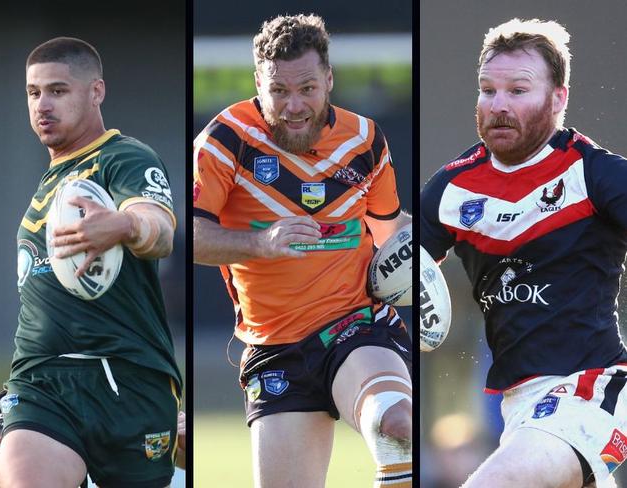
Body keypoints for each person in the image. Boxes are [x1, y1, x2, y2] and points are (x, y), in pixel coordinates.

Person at [194, 13, 412, 488]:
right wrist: (260, 243)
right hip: (274, 349)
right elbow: (187, 235)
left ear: (329, 80)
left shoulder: (365, 140)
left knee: (397, 425)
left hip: (356, 324)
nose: (293, 106)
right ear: (258, 84)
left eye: (307, 89)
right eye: (279, 91)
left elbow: (391, 228)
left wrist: (430, 251)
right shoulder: (225, 139)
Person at [420, 18, 627, 488]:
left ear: (559, 98)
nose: (498, 106)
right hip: (518, 406)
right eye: (487, 90)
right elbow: (397, 280)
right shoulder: (451, 190)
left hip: (590, 391)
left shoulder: (594, 174)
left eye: (518, 90)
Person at [0, 37, 182, 488]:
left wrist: (123, 225)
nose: (42, 104)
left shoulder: (122, 157)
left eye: (58, 91)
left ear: (95, 92)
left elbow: (158, 228)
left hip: (126, 378)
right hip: (41, 379)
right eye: (33, 92)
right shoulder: (51, 178)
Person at [0, 391, 187, 488]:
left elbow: (175, 461)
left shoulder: (128, 412)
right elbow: (8, 475)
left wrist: (180, 446)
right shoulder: (17, 413)